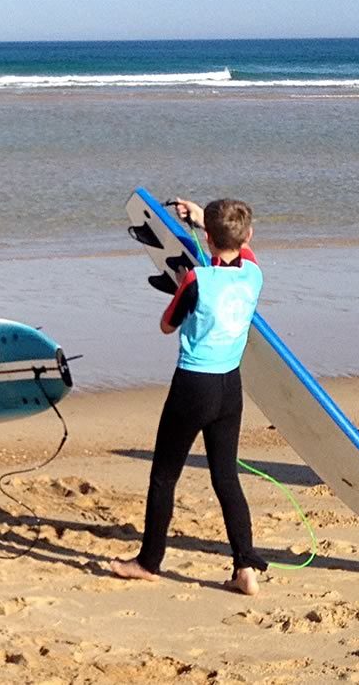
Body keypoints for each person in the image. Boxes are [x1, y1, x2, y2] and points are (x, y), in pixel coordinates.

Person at [109, 198, 269, 596]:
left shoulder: (196, 280)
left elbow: (167, 325)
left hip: (192, 387)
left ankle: (148, 562)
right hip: (230, 387)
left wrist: (184, 281)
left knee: (164, 475)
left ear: (209, 239)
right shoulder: (254, 275)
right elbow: (240, 251)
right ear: (248, 235)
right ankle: (245, 564)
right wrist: (201, 220)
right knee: (225, 476)